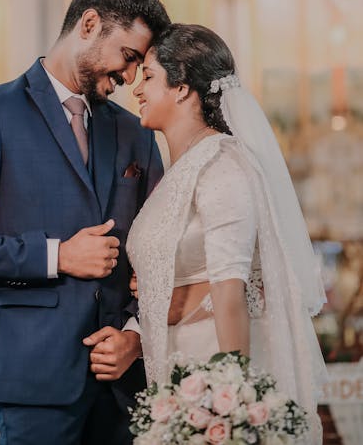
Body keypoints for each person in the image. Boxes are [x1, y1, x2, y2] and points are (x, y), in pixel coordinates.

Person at [0, 0, 170, 445]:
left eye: (139, 66)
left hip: (123, 383)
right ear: (90, 24)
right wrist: (57, 255)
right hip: (32, 376)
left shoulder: (136, 133)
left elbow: (160, 249)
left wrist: (135, 337)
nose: (130, 77)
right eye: (129, 57)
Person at [126, 24, 327, 444]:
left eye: (148, 76)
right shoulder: (180, 171)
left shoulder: (222, 163)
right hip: (174, 370)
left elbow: (230, 290)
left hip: (211, 370)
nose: (137, 90)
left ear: (181, 88)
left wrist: (230, 404)